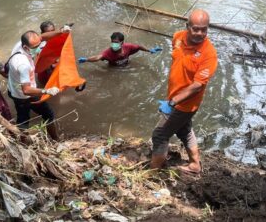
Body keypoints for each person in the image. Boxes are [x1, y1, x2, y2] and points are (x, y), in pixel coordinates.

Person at [150, 9, 218, 174]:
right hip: (173, 97)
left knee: (160, 135)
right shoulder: (178, 37)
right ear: (187, 26)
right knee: (184, 130)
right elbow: (177, 58)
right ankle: (195, 165)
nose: (199, 33)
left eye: (204, 29)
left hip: (185, 104)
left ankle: (152, 172)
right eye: (195, 28)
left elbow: (197, 86)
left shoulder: (209, 54)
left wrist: (173, 102)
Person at [7, 30, 62, 140]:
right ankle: (56, 140)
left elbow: (42, 37)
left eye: (39, 44)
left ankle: (22, 141)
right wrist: (46, 91)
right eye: (36, 47)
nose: (39, 47)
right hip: (24, 95)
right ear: (26, 48)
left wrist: (61, 31)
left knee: (23, 117)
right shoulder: (23, 64)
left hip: (13, 89)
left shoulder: (20, 45)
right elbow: (26, 90)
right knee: (47, 115)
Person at [78, 32, 161, 67]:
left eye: (116, 42)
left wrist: (150, 50)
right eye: (112, 42)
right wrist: (86, 59)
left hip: (127, 64)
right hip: (113, 69)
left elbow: (139, 47)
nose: (114, 44)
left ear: (122, 42)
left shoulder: (128, 46)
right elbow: (98, 57)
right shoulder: (108, 52)